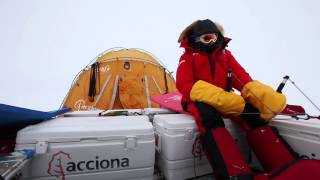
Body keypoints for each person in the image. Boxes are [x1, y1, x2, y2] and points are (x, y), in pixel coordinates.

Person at [176, 19, 298, 179]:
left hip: (226, 99)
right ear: (195, 39)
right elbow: (184, 85)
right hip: (197, 100)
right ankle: (234, 173)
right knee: (209, 117)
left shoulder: (225, 55)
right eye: (205, 38)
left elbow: (240, 76)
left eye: (213, 37)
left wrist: (255, 92)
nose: (210, 42)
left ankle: (284, 164)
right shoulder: (188, 57)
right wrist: (217, 96)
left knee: (253, 115)